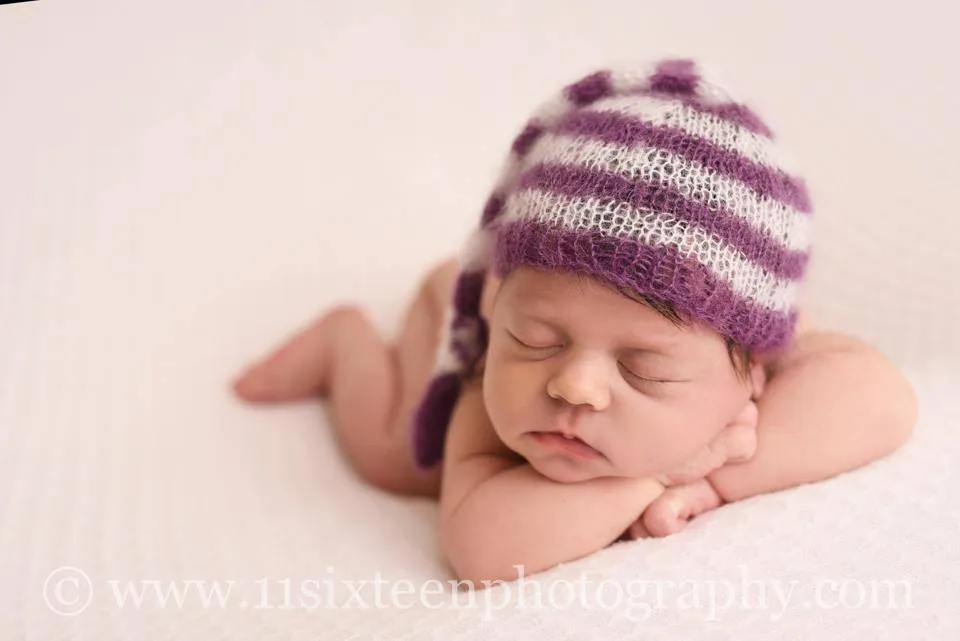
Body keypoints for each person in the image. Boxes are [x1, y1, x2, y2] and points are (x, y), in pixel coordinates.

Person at [231, 59, 918, 585]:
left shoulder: (747, 337)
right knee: (395, 457)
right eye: (537, 341)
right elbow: (483, 548)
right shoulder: (488, 398)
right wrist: (663, 471)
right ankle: (343, 341)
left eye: (643, 368)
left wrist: (713, 478)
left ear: (754, 374)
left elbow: (882, 400)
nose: (574, 385)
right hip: (452, 313)